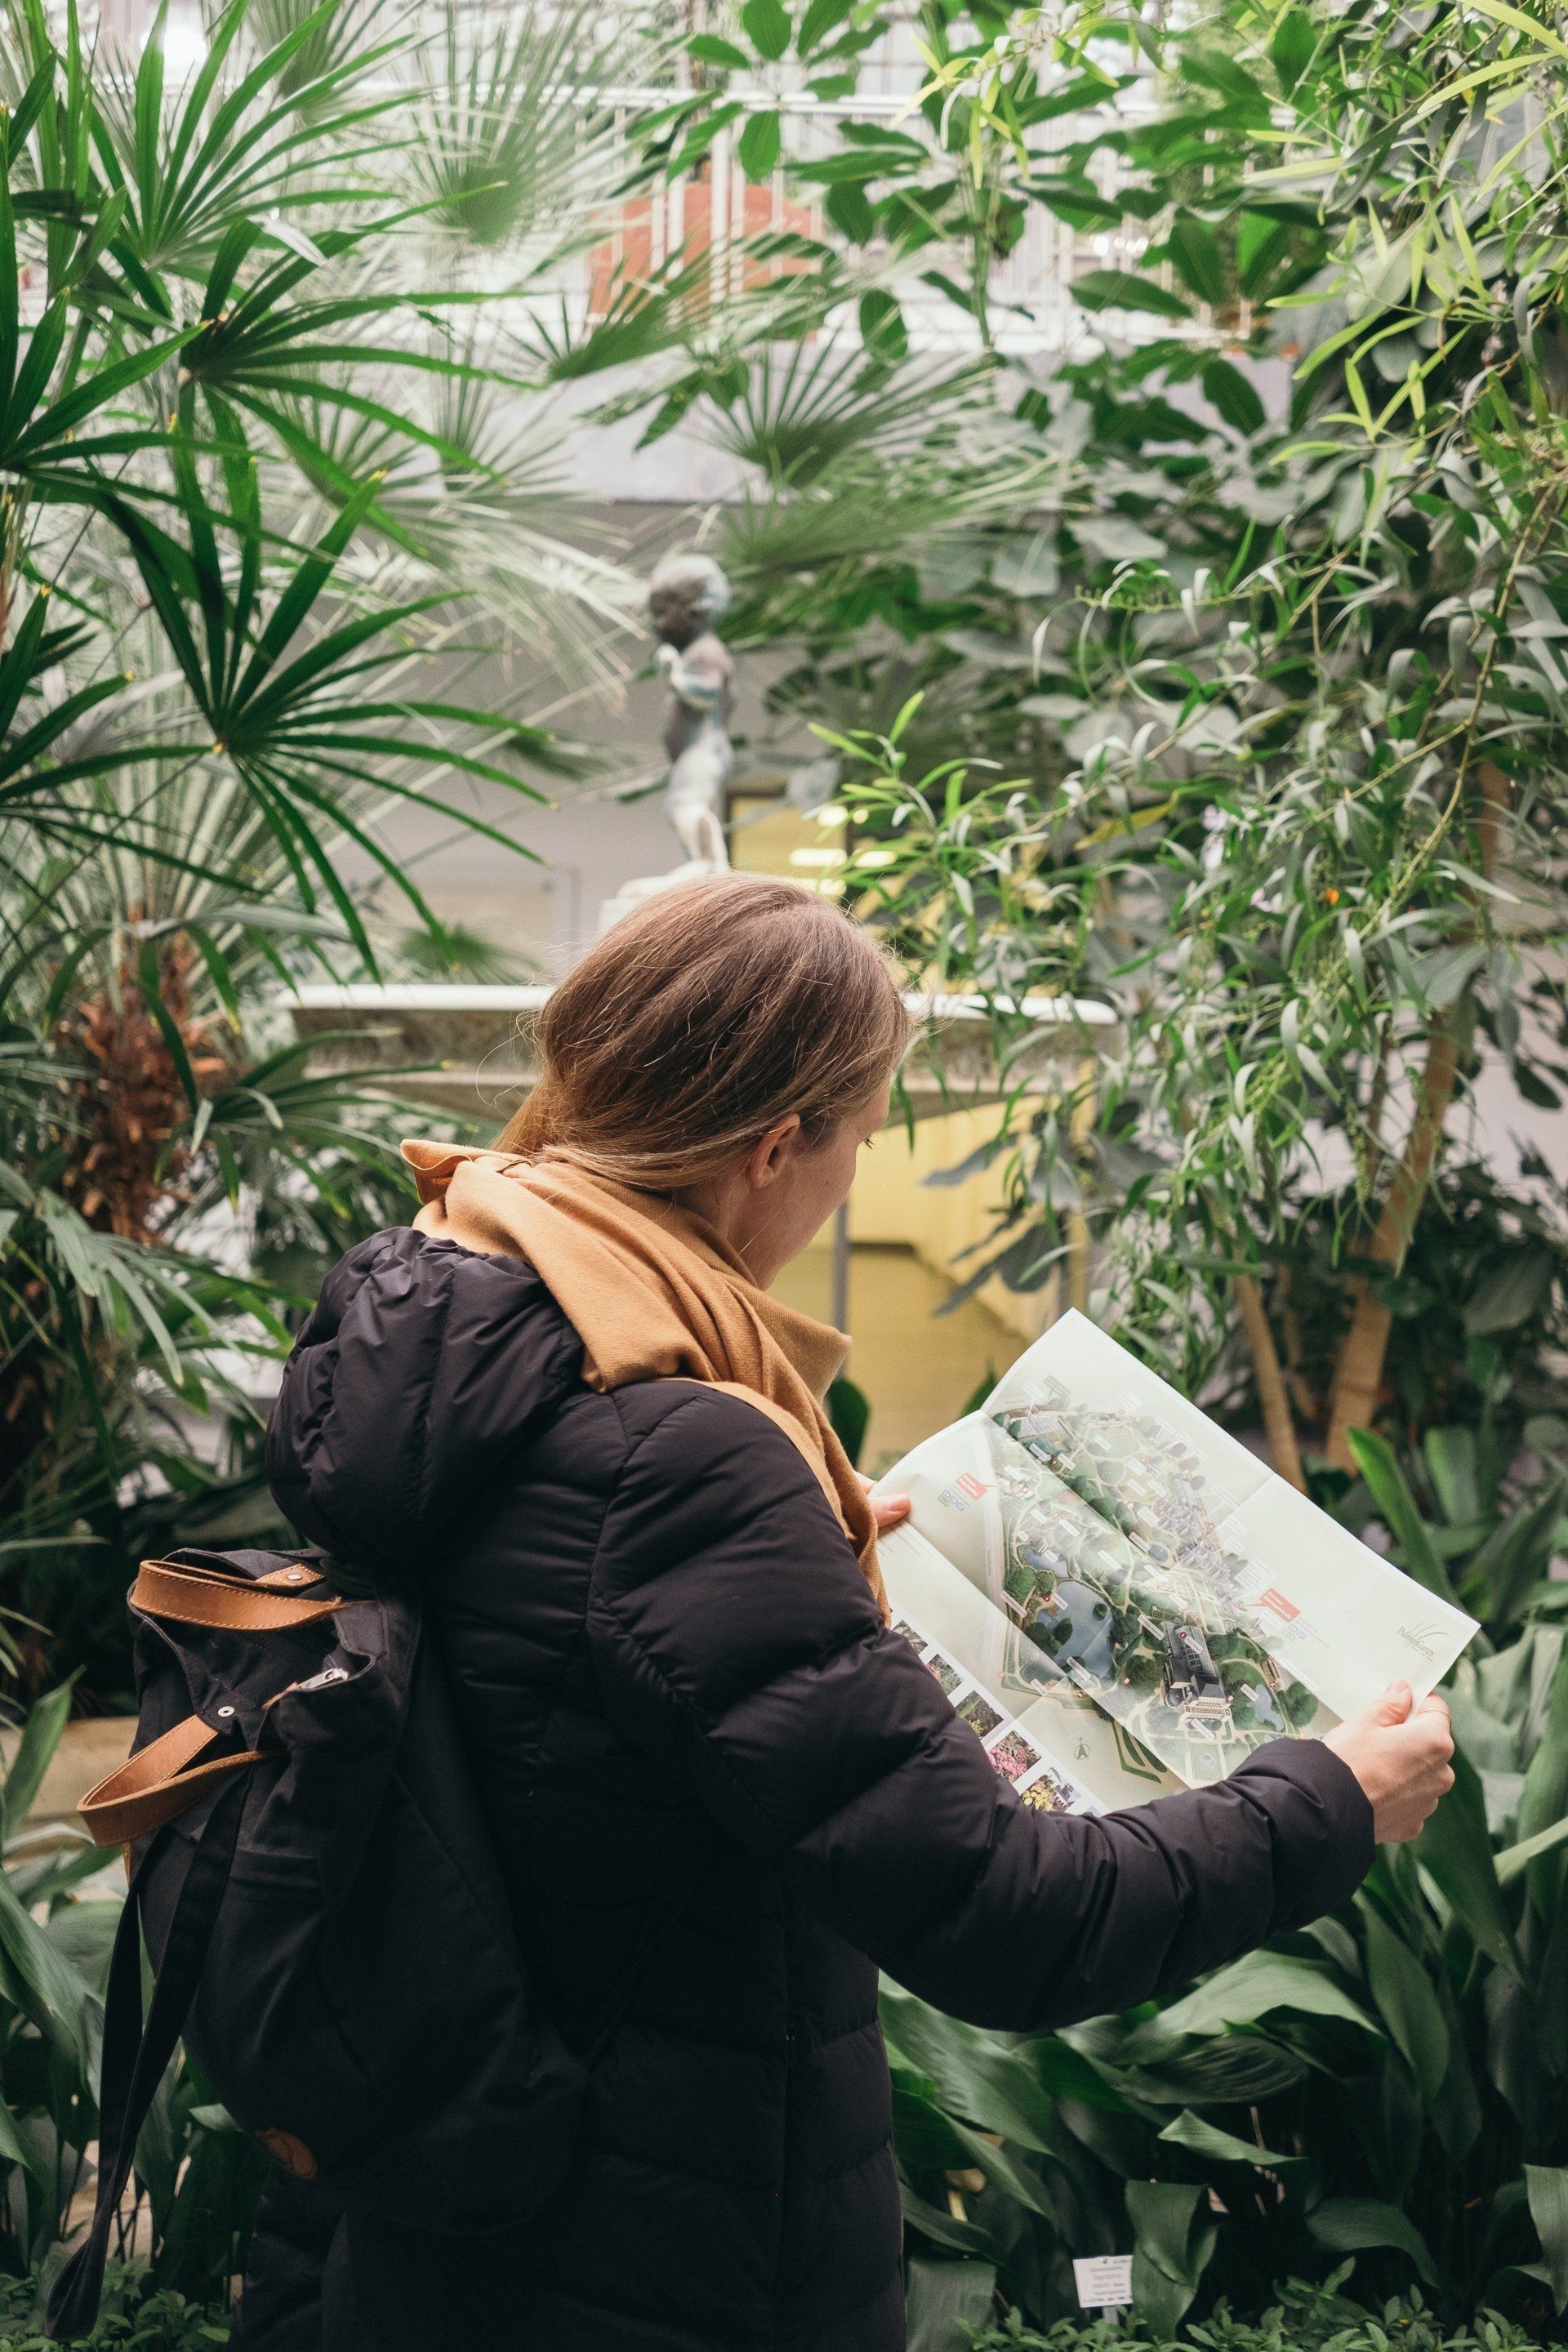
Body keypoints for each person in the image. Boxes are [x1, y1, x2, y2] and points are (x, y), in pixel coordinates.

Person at [261, 874, 1453, 2352]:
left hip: (451, 2223)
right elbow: (1010, 1919)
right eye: (862, 1139)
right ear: (776, 1146)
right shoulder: (686, 1456)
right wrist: (1331, 1796)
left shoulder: (450, 1344)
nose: (851, 1179)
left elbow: (584, 1654)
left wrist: (797, 1553)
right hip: (662, 2258)